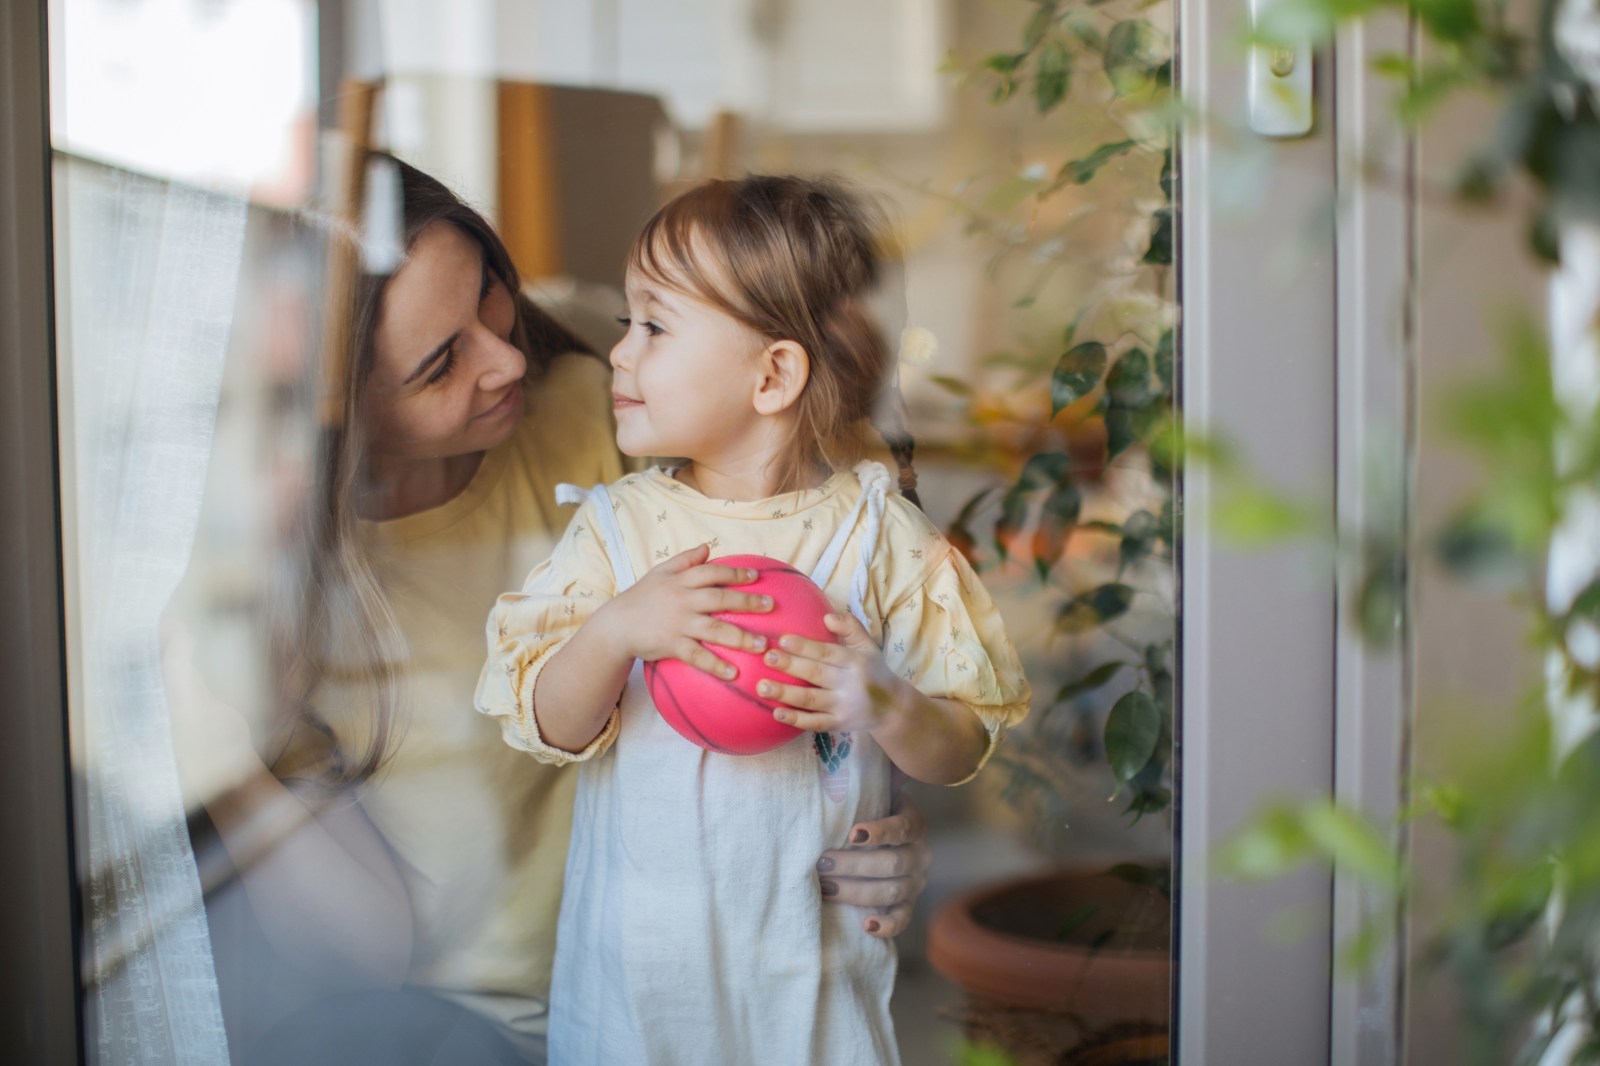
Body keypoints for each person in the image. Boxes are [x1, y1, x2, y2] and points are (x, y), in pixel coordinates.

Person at [165, 156, 932, 1066]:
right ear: (339, 420)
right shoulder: (287, 599)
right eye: (442, 364)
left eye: (490, 294)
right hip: (494, 1033)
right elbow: (374, 954)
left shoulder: (605, 421)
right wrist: (203, 724)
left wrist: (879, 820)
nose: (509, 356)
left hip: (709, 993)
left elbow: (832, 586)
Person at [476, 175, 1030, 1065]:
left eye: (654, 327)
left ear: (772, 374)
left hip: (811, 984)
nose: (619, 355)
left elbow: (965, 743)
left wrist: (884, 702)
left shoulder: (875, 533)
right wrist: (616, 630)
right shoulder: (618, 530)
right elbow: (540, 719)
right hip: (640, 980)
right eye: (627, 324)